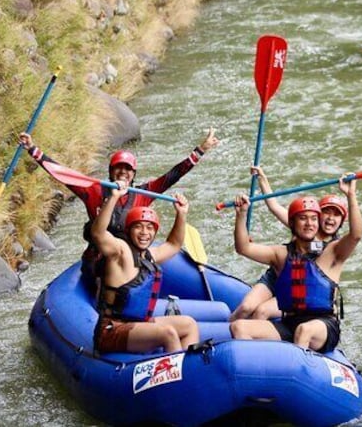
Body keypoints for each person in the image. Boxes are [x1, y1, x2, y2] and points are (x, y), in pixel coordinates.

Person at [19, 129, 220, 287]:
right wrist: (33, 150)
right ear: (111, 171)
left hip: (129, 257)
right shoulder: (93, 190)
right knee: (105, 275)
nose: (123, 172)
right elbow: (62, 173)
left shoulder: (144, 193)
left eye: (128, 169)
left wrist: (201, 150)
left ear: (133, 174)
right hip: (100, 256)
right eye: (118, 168)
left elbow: (173, 174)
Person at [229, 176, 362, 353]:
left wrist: (351, 195)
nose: (309, 223)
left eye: (314, 219)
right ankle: (256, 367)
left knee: (304, 331)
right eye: (303, 219)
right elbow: (243, 248)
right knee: (239, 327)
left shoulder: (331, 252)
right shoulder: (281, 253)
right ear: (292, 223)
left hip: (323, 325)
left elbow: (356, 235)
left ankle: (293, 373)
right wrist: (241, 214)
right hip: (289, 322)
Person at [90, 182, 199, 354]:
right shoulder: (120, 251)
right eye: (138, 227)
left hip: (138, 325)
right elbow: (98, 234)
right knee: (168, 333)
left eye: (149, 228)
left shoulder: (149, 255)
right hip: (111, 330)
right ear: (129, 230)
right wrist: (114, 197)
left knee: (189, 324)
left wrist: (181, 214)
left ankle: (192, 368)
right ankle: (180, 376)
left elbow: (174, 244)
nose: (144, 233)